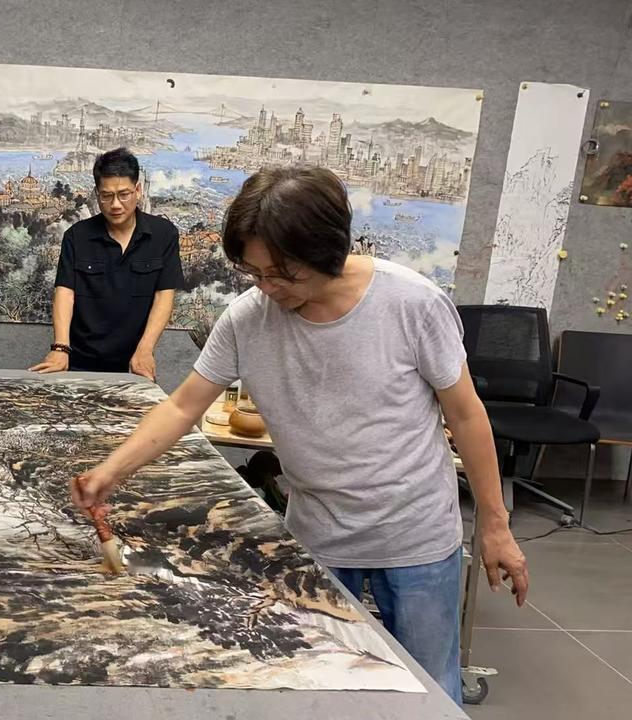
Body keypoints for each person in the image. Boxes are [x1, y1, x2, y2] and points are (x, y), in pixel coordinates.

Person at [70, 164, 527, 704]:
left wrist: (494, 523)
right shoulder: (248, 318)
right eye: (254, 273)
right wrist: (111, 470)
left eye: (283, 274)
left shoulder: (413, 304)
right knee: (317, 687)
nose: (268, 288)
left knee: (428, 692)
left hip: (415, 536)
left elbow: (467, 416)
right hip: (317, 536)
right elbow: (182, 407)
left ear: (327, 251)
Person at [30, 148, 184, 380]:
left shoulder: (164, 234)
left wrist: (145, 349)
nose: (116, 204)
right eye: (106, 195)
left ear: (138, 190)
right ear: (97, 193)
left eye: (124, 194)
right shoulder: (77, 236)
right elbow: (65, 292)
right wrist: (60, 348)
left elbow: (164, 296)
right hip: (80, 361)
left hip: (134, 362)